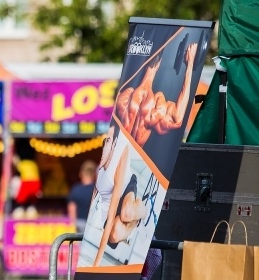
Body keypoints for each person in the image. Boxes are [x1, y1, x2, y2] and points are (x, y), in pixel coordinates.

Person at [115, 42, 198, 147]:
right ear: (159, 65)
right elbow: (177, 120)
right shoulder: (157, 107)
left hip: (119, 150)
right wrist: (189, 64)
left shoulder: (123, 97)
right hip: (134, 156)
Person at [91, 124, 147, 266]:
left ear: (114, 143)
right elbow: (92, 206)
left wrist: (96, 263)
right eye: (102, 141)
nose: (104, 148)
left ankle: (141, 209)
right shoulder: (97, 170)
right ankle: (133, 224)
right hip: (109, 208)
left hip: (124, 188)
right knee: (114, 235)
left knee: (126, 213)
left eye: (108, 141)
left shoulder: (121, 149)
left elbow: (111, 217)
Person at [67, 159, 96, 234]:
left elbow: (72, 211)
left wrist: (72, 226)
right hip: (93, 225)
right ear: (94, 174)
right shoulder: (97, 191)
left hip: (79, 224)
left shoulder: (76, 190)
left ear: (81, 173)